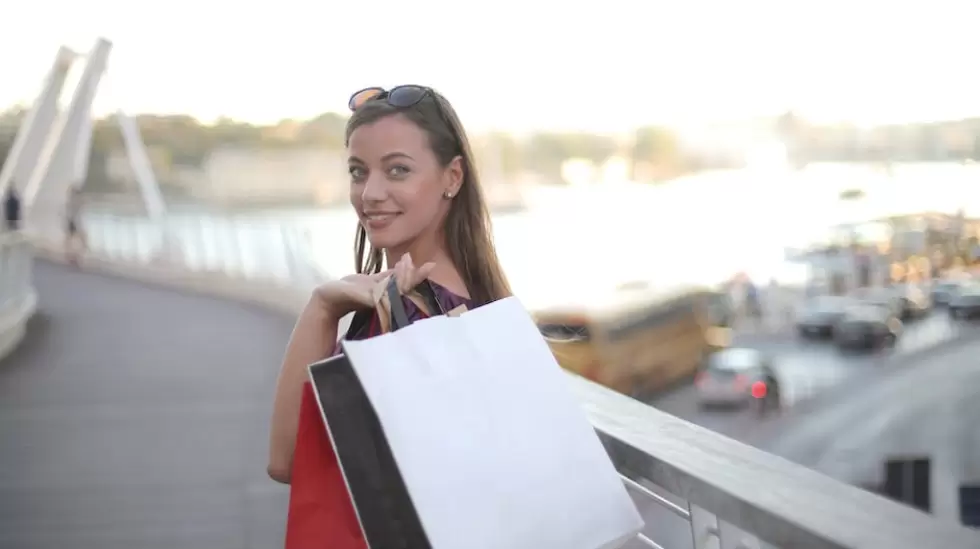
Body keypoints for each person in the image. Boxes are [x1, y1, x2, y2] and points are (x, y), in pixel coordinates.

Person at [267, 85, 512, 484]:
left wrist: (321, 308)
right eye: (358, 172)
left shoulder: (412, 320)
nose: (370, 193)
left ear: (452, 177)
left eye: (398, 169)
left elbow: (290, 461)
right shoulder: (479, 309)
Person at [64, 186, 87, 265]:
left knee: (71, 239)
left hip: (72, 221)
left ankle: (71, 256)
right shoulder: (77, 202)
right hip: (75, 221)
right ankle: (76, 256)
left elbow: (68, 212)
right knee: (80, 239)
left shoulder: (71, 201)